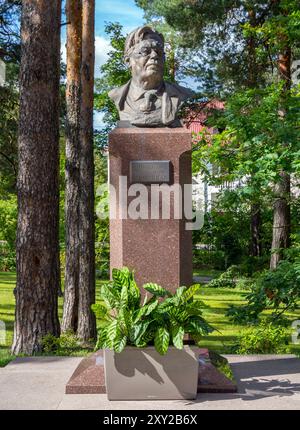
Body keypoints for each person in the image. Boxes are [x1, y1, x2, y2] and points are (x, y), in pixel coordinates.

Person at [109, 26, 194, 127]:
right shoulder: (117, 95)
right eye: (145, 51)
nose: (154, 56)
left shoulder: (180, 94)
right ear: (128, 61)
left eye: (158, 52)